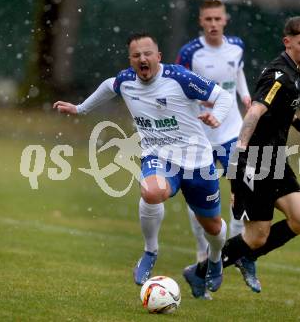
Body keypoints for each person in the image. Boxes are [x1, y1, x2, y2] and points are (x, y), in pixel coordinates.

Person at [53, 33, 234, 292]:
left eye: (148, 53)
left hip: (199, 163)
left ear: (158, 56)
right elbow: (108, 86)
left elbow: (224, 98)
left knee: (213, 227)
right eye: (136, 55)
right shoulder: (126, 80)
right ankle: (150, 251)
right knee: (151, 191)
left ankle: (215, 260)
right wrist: (80, 108)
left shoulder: (180, 78)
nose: (142, 59)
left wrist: (216, 116)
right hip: (159, 157)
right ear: (131, 60)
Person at [183, 16, 300, 295]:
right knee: (256, 236)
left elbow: (279, 106)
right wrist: (238, 157)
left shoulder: (292, 71)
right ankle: (199, 272)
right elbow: (255, 112)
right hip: (257, 162)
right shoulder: (279, 74)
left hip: (276, 160)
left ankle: (247, 256)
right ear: (288, 43)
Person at [175, 0, 260, 298]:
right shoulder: (189, 53)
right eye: (208, 18)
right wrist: (202, 104)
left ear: (226, 20)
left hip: (232, 132)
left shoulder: (237, 46)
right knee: (198, 198)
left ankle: (235, 248)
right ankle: (203, 256)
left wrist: (246, 96)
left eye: (217, 18)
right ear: (201, 21)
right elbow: (178, 87)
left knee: (244, 189)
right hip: (199, 136)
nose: (213, 23)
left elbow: (238, 72)